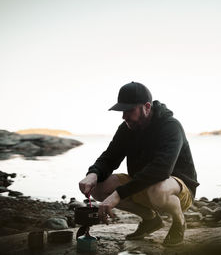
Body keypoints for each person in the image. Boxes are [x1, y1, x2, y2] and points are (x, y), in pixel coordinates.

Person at [78, 81, 199, 246]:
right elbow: (110, 157)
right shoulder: (127, 128)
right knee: (98, 188)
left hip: (177, 189)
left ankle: (179, 221)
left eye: (129, 110)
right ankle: (151, 220)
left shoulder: (171, 127)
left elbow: (161, 170)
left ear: (147, 107)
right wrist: (93, 174)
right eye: (122, 111)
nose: (124, 116)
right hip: (143, 186)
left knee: (157, 188)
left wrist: (118, 194)